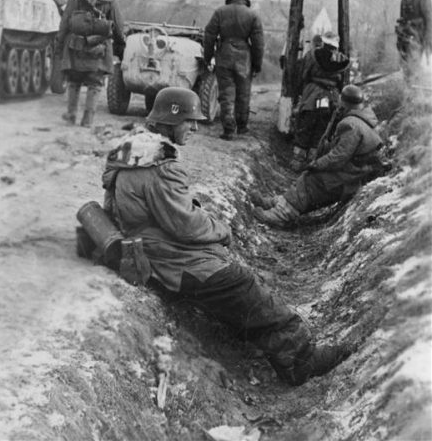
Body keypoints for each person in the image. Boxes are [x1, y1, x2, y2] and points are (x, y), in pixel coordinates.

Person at [96, 86, 351, 386]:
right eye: (189, 120)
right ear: (169, 118)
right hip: (173, 260)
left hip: (155, 249)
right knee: (243, 283)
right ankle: (301, 362)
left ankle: (259, 341)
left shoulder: (132, 152)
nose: (194, 127)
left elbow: (126, 209)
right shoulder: (162, 166)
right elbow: (186, 226)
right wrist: (221, 229)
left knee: (237, 284)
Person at [253, 85, 388, 230]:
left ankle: (281, 215)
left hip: (352, 176)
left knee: (311, 180)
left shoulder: (351, 125)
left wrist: (317, 164)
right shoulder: (362, 119)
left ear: (344, 103)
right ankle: (280, 202)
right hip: (356, 172)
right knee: (310, 177)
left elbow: (338, 157)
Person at [55, 0, 125, 127]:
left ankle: (71, 115)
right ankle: (87, 120)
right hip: (99, 49)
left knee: (74, 81)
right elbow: (119, 27)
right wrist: (121, 47)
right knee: (95, 84)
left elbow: (65, 22)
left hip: (75, 46)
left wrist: (59, 45)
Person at [203, 0, 264, 140]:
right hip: (244, 59)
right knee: (243, 93)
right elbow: (258, 44)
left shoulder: (220, 12)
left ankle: (228, 128)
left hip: (224, 55)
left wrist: (208, 57)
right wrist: (257, 65)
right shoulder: (253, 15)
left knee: (226, 94)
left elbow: (209, 35)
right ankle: (242, 126)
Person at [291, 31, 349, 171]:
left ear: (323, 41)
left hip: (312, 95)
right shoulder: (343, 59)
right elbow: (343, 83)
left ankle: (297, 162)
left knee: (304, 128)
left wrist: (299, 93)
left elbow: (304, 75)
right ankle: (313, 162)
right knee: (322, 131)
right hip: (331, 98)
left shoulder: (311, 55)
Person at [395, 0, 432, 82]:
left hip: (418, 35)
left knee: (415, 61)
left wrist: (428, 37)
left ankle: (415, 86)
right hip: (405, 35)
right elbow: (402, 15)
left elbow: (429, 19)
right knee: (405, 61)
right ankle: (407, 84)